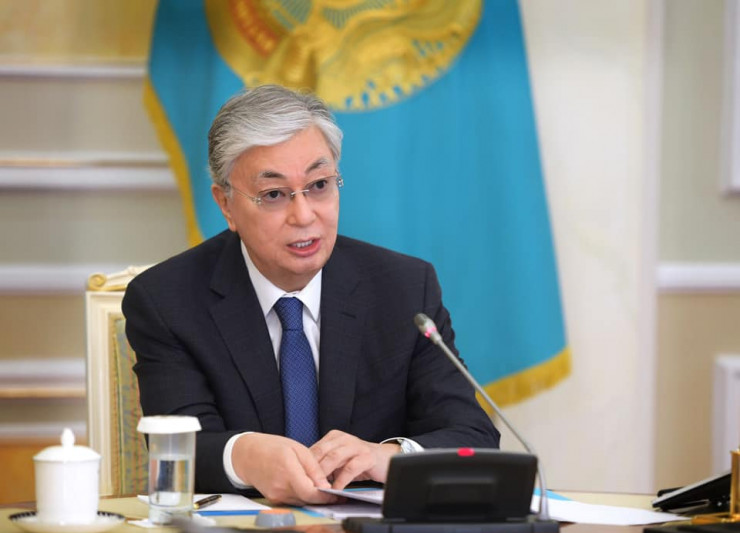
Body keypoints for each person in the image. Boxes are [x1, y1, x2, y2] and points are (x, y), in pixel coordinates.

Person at [122, 84, 499, 506]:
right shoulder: (167, 300)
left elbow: (473, 435)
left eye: (319, 185)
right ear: (226, 205)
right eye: (273, 195)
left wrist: (389, 457)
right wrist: (245, 455)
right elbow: (176, 445)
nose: (303, 216)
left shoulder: (404, 289)